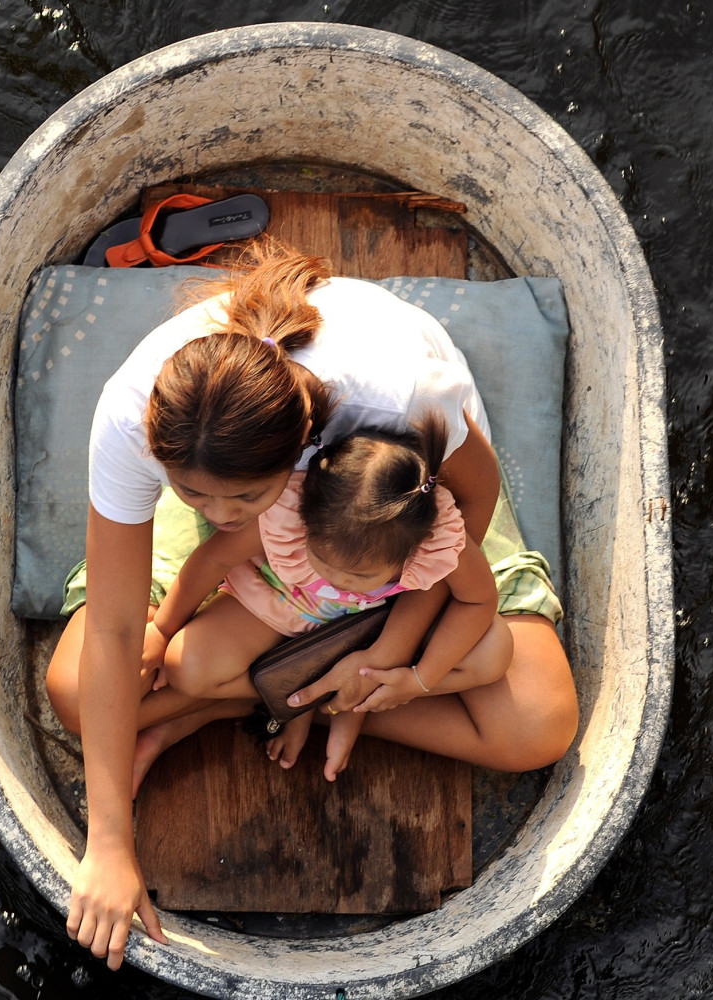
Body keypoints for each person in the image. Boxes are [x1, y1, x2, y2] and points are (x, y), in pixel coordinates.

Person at [42, 239, 576, 970]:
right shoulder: (138, 419)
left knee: (537, 726)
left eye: (245, 498)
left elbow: (472, 498)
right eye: (190, 493)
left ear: (297, 456)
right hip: (279, 548)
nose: (217, 512)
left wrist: (377, 667)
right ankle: (285, 695)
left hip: (399, 502)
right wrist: (109, 844)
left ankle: (281, 696)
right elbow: (110, 626)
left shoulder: (401, 396)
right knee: (79, 690)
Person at [144, 413, 514, 785]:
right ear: (306, 517)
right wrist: (162, 628)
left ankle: (334, 699)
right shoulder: (286, 516)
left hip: (366, 631)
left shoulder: (435, 540)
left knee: (493, 652)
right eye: (321, 559)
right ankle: (305, 697)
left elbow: (477, 602)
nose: (338, 581)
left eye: (362, 576)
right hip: (278, 601)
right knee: (186, 667)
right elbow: (215, 558)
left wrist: (420, 679)